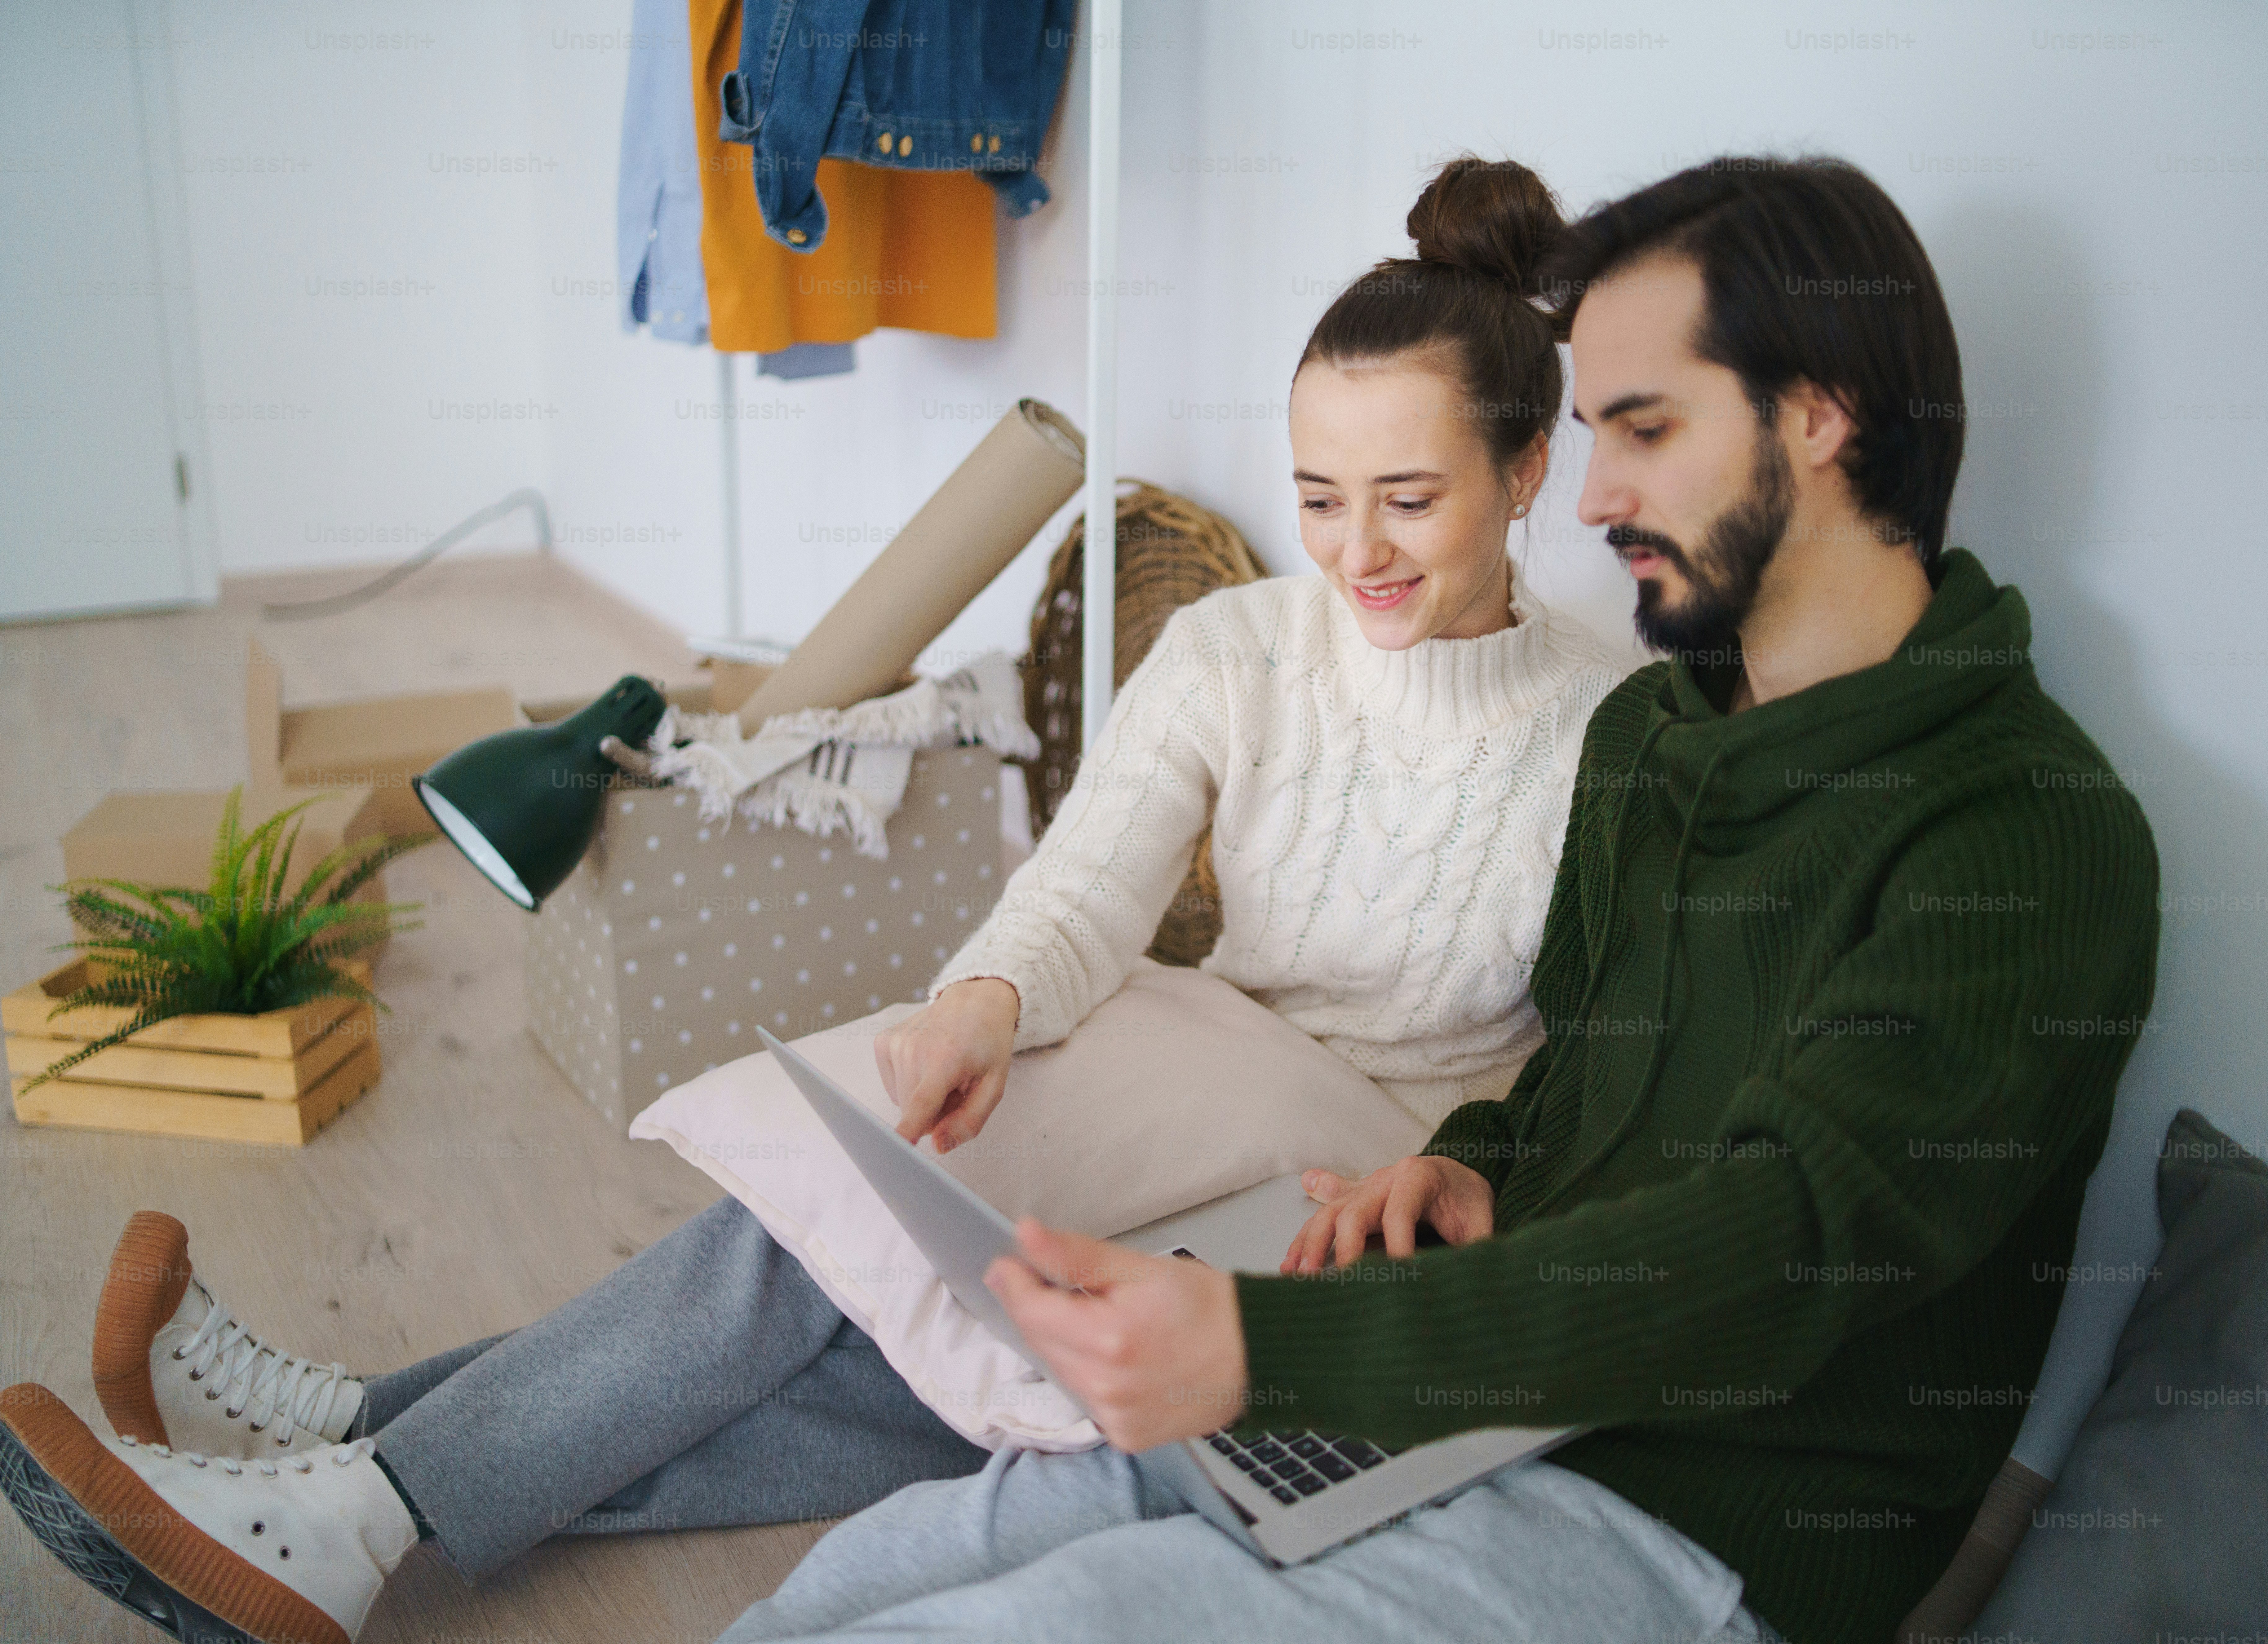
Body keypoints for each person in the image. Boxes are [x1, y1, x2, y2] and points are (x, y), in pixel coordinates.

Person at [0, 158, 1622, 1644]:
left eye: (1408, 498)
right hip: (1203, 1072)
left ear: (1528, 468)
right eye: (1320, 496)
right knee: (872, 1282)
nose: (1354, 550)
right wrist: (982, 1000)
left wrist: (1461, 1185)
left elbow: (1619, 1058)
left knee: (893, 1329)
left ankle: (353, 1459)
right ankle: (348, 1488)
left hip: (1376, 1179)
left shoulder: (1621, 728)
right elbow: (1084, 881)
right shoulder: (1236, 646)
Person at [688, 154, 2165, 1644]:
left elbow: (1777, 1247)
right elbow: (1575, 1079)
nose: (1595, 497)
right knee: (891, 1569)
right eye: (1593, 436)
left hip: (1673, 1519)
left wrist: (1277, 1345)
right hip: (1457, 1390)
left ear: (1820, 416)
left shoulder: (2025, 837)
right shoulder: (1656, 739)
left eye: (1645, 429)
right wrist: (1471, 1165)